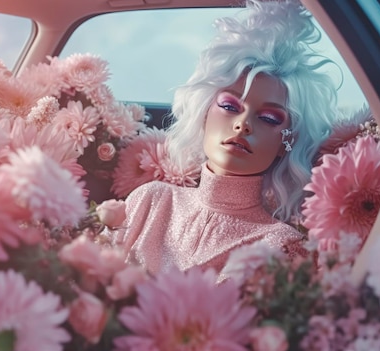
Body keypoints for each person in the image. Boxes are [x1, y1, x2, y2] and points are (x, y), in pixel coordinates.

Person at [107, 0, 338, 275]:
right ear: (204, 113)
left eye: (268, 118)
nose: (243, 125)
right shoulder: (150, 200)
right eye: (230, 107)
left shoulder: (280, 245)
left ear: (286, 141)